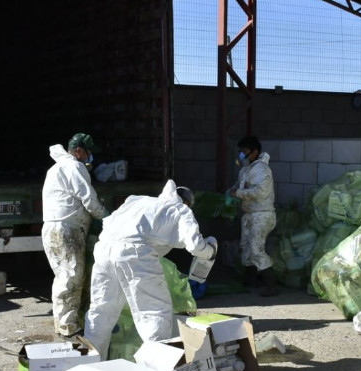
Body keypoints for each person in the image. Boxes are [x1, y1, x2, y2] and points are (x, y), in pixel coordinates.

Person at [84, 180, 217, 359]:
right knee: (154, 313)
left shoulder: (137, 201)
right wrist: (210, 252)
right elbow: (195, 246)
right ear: (187, 203)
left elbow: (112, 223)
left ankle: (90, 365)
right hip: (136, 254)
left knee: (101, 311)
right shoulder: (180, 210)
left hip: (104, 250)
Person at [41, 132, 108, 338]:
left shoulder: (59, 167)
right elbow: (88, 198)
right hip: (65, 230)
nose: (90, 158)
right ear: (79, 151)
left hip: (57, 228)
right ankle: (67, 327)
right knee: (70, 277)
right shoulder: (74, 167)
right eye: (89, 153)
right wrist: (108, 218)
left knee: (67, 275)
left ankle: (68, 322)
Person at [230, 135, 278, 296]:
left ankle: (271, 285)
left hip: (262, 215)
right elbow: (238, 187)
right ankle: (250, 280)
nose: (241, 155)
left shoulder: (262, 169)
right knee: (246, 249)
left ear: (255, 152)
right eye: (240, 152)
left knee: (256, 249)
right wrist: (231, 193)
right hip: (250, 214)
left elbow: (260, 192)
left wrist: (238, 193)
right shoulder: (246, 169)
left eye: (244, 152)